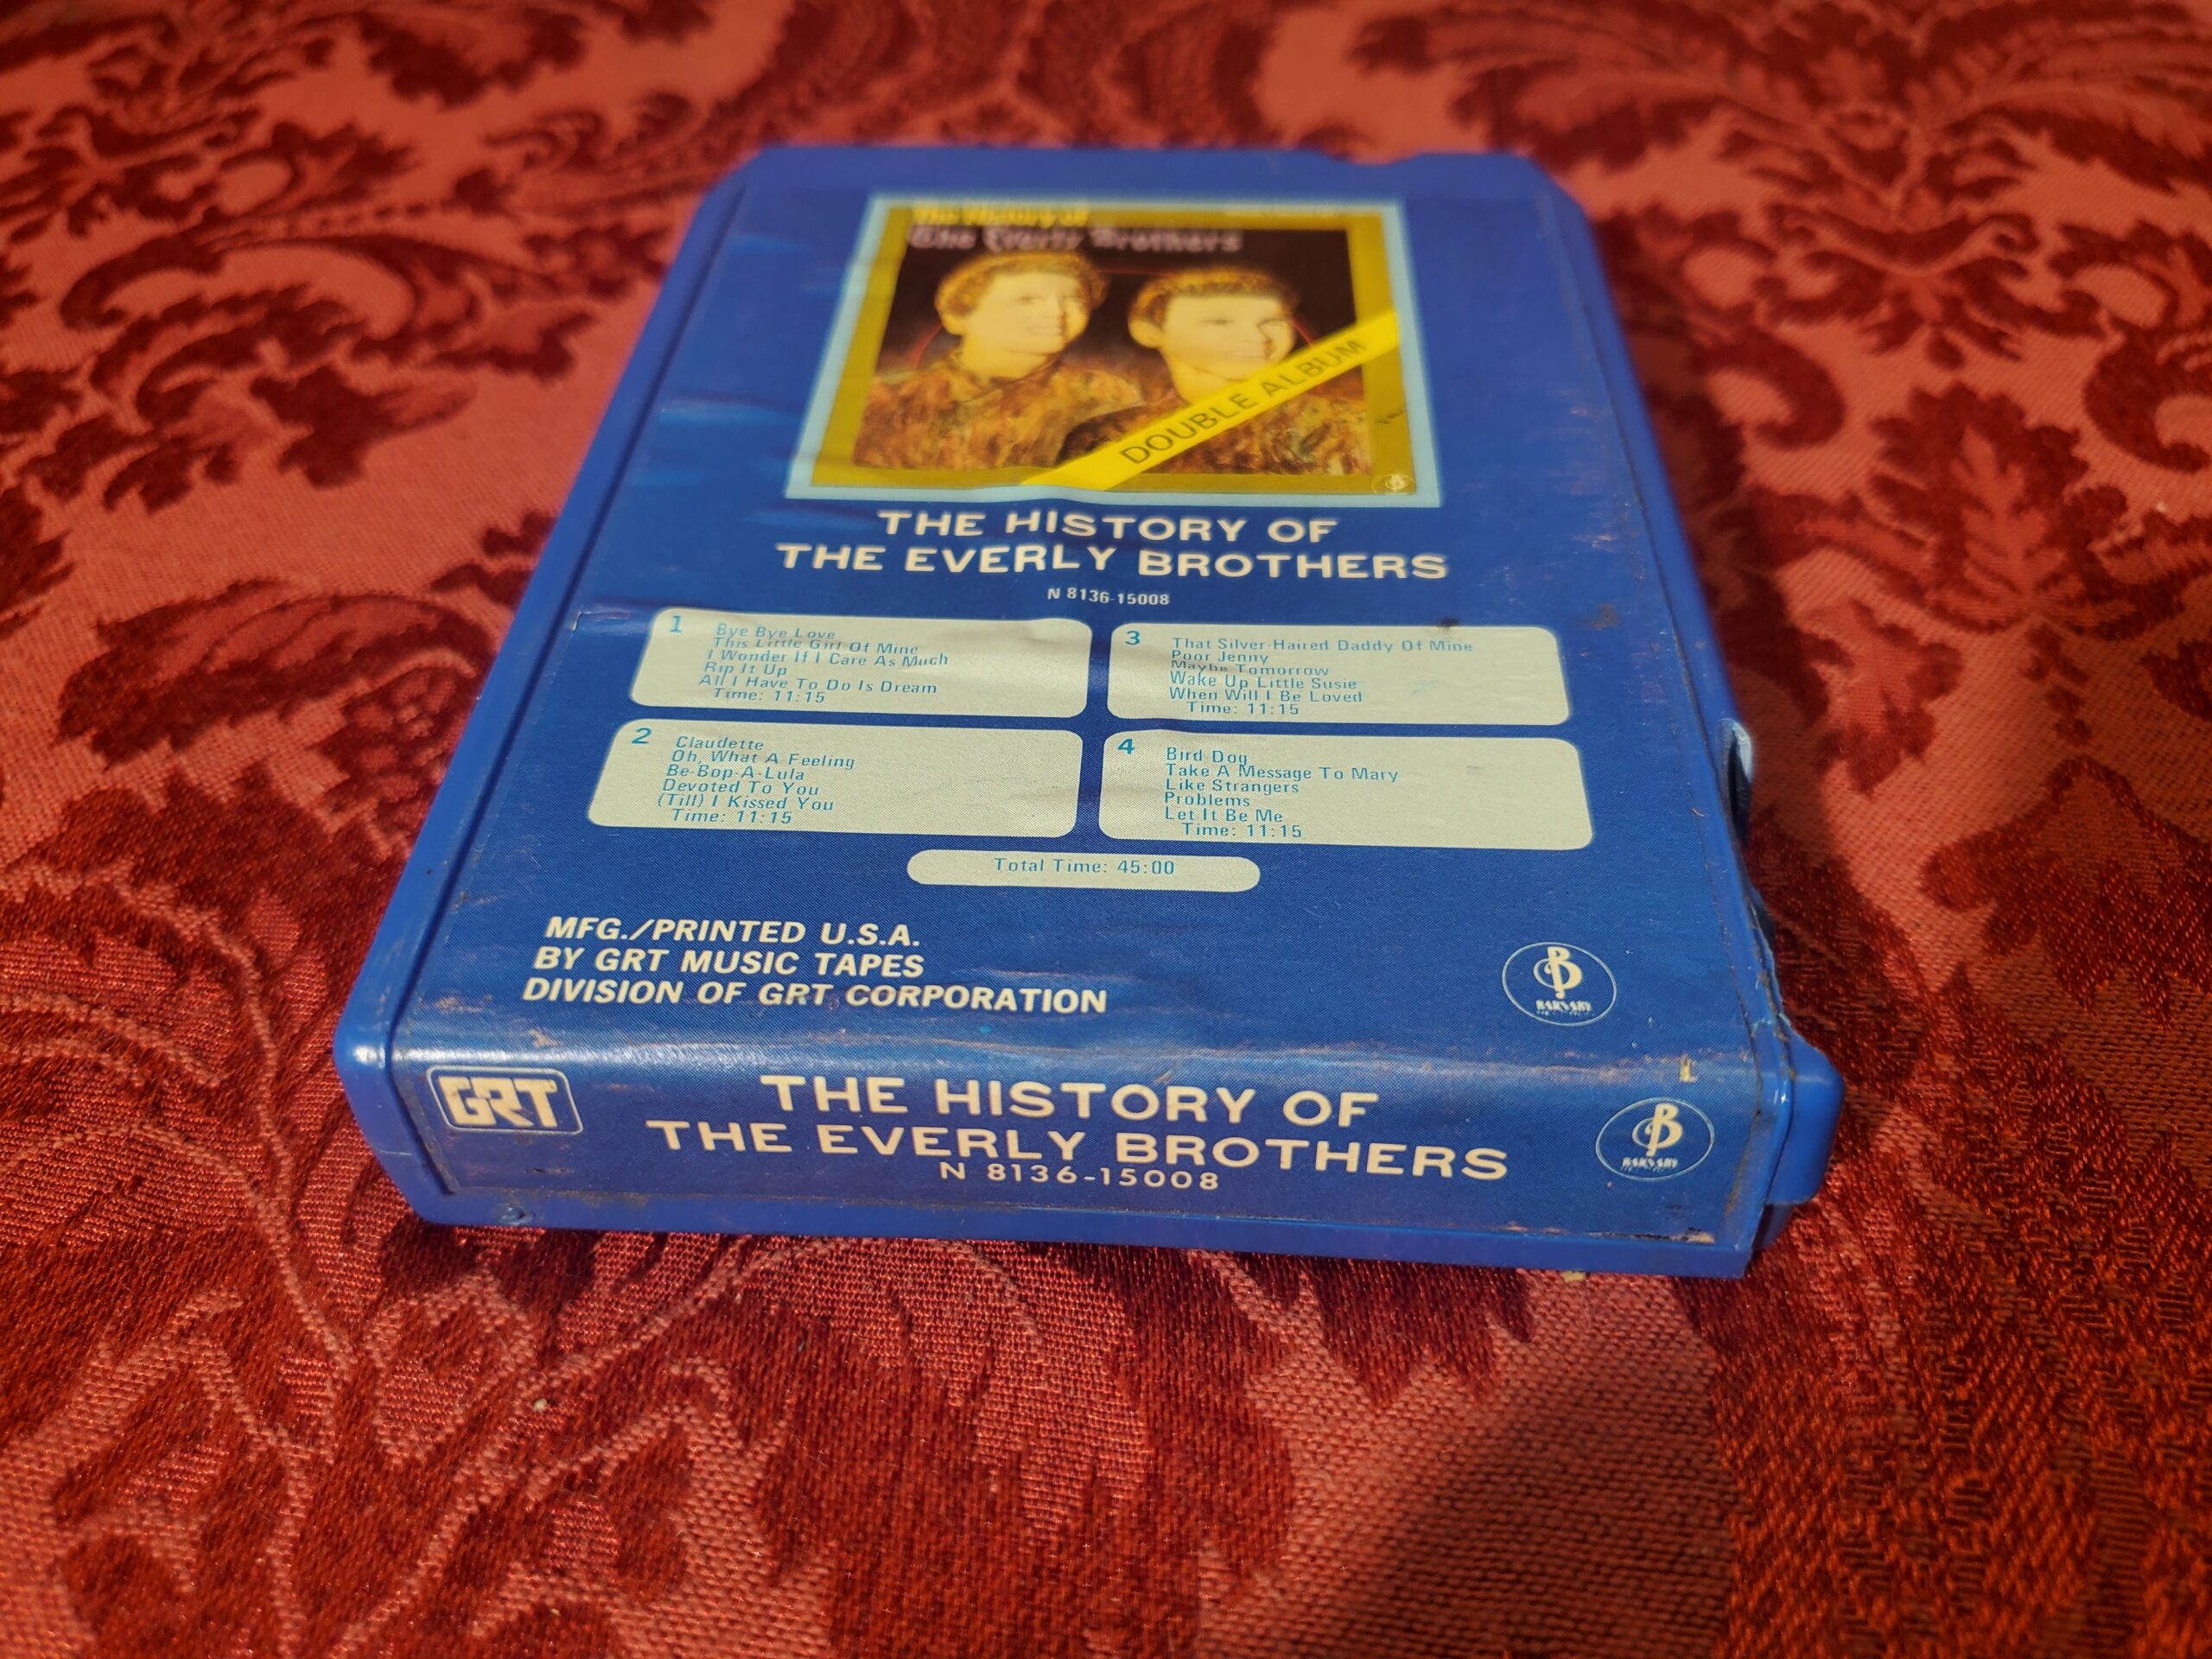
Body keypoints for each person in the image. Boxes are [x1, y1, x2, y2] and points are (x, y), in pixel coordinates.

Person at [1059, 265, 1370, 475]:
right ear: (1149, 331)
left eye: (1273, 321)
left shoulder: (1351, 425)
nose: (1257, 337)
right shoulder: (1109, 437)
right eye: (1220, 322)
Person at [854, 250, 1139, 470]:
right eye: (1028, 300)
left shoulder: (1106, 394)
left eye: (1075, 301)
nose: (1056, 312)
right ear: (959, 316)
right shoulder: (885, 399)